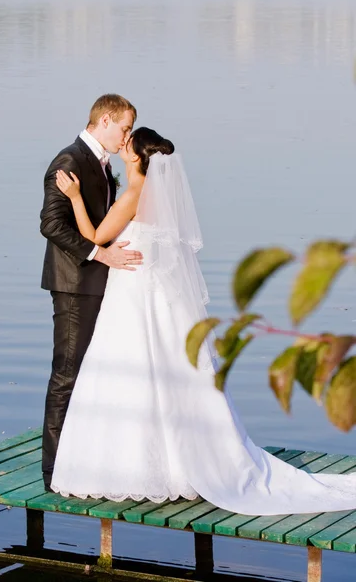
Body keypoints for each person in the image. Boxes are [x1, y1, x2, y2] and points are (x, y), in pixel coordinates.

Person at [51, 127, 356, 515]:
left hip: (131, 294)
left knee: (131, 369)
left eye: (127, 142)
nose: (122, 143)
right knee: (162, 369)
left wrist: (75, 197)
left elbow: (94, 235)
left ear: (135, 156)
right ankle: (172, 465)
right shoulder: (160, 199)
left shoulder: (134, 194)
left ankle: (134, 467)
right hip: (155, 294)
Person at [40, 94, 143, 492]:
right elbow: (51, 224)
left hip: (97, 285)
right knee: (67, 373)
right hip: (73, 284)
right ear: (104, 121)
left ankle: (79, 458)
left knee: (88, 373)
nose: (127, 137)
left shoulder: (101, 164)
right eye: (124, 128)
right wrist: (100, 253)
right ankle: (53, 471)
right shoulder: (68, 161)